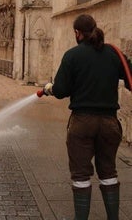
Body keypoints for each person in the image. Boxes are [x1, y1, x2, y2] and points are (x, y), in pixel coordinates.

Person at [42, 14, 132, 220]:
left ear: (77, 33)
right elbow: (130, 79)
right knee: (108, 172)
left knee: (81, 175)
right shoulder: (113, 53)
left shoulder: (72, 55)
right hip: (109, 123)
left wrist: (50, 88)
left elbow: (62, 90)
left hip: (82, 123)